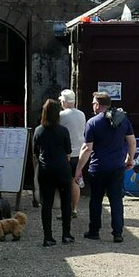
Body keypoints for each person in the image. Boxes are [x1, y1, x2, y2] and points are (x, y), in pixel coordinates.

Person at [75, 92, 136, 243]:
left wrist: (78, 169)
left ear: (97, 105)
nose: (92, 106)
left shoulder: (92, 123)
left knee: (96, 199)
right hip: (117, 166)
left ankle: (94, 231)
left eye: (93, 103)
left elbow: (87, 149)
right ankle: (118, 233)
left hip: (98, 168)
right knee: (116, 200)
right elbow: (132, 142)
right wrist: (130, 158)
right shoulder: (123, 119)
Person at [33, 99, 75, 247]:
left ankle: (48, 237)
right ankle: (66, 234)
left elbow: (36, 152)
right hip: (62, 169)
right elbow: (68, 153)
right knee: (66, 201)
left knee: (47, 203)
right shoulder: (63, 131)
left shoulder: (38, 130)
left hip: (46, 170)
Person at [59, 89, 87, 220]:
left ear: (64, 102)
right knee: (75, 181)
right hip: (80, 153)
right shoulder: (81, 114)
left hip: (66, 153)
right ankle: (74, 208)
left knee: (64, 183)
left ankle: (65, 210)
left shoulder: (61, 115)